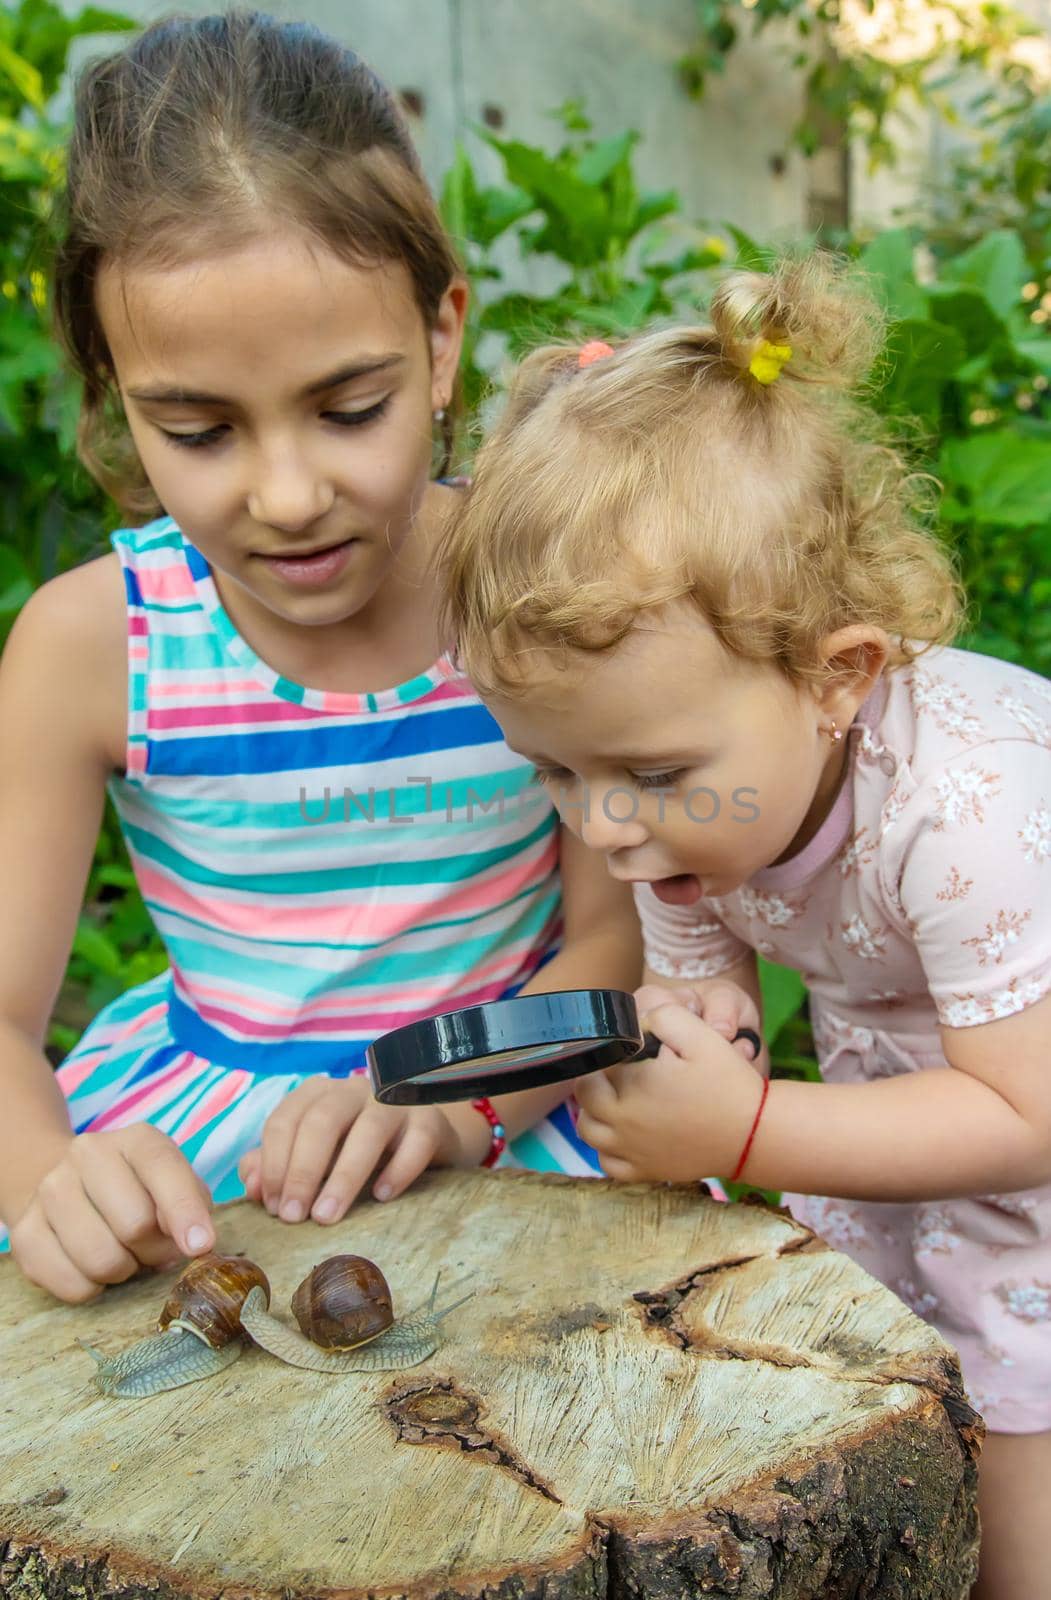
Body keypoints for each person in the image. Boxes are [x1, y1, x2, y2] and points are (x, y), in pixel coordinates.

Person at [0, 12, 640, 1307]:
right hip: (206, 1174)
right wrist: (42, 1183)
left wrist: (455, 1105)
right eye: (198, 429)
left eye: (352, 410)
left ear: (443, 335)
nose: (288, 495)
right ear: (115, 390)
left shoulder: (538, 589)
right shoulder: (92, 646)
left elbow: (613, 945)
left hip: (505, 1113)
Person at [436, 256, 1051, 1599]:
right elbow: (701, 970)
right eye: (554, 770)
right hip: (895, 1096)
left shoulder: (973, 816)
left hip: (1026, 1117)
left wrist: (753, 1133)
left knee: (1016, 1474)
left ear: (838, 675)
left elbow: (1024, 1116)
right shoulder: (689, 796)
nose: (600, 829)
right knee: (871, 1403)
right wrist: (693, 1030)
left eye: (646, 776)